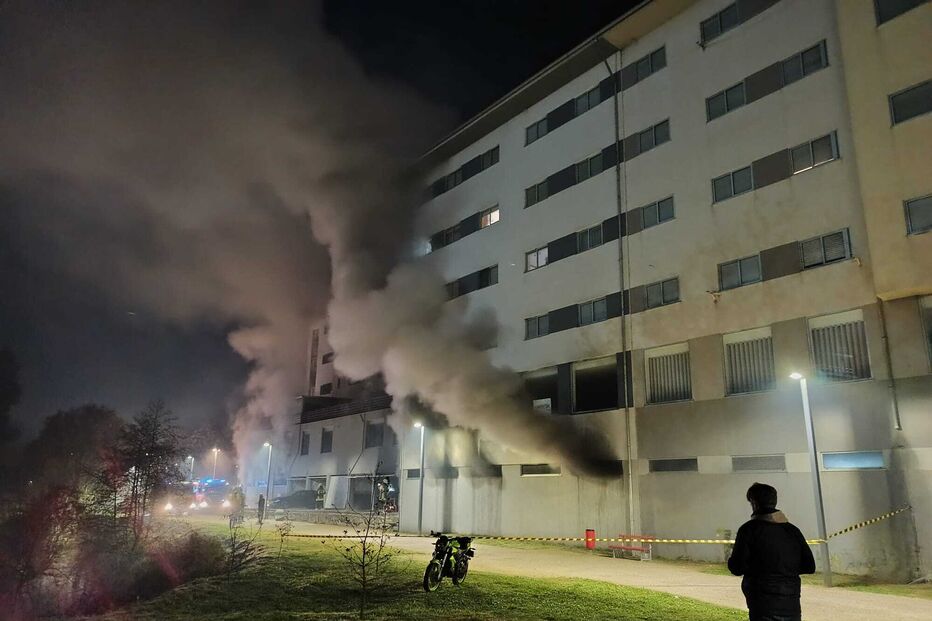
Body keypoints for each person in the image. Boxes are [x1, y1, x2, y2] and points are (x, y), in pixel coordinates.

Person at [728, 482, 816, 621]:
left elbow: (737, 567)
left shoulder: (749, 530)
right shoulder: (792, 530)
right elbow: (809, 566)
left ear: (754, 502)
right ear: (774, 501)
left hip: (761, 602)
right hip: (791, 601)